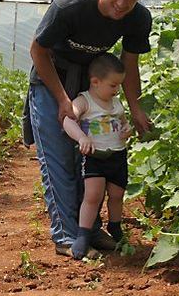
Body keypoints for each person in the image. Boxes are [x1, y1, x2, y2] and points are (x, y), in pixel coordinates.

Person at [24, 0, 153, 257]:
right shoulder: (70, 6)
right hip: (51, 77)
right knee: (58, 160)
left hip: (88, 82)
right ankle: (66, 236)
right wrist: (62, 99)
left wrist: (135, 108)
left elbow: (129, 63)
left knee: (88, 159)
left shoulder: (138, 19)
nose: (123, 2)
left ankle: (89, 230)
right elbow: (37, 50)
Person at [61, 53, 133, 259]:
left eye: (119, 85)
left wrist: (126, 130)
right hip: (95, 157)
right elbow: (67, 120)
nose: (117, 90)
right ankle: (83, 235)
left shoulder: (116, 103)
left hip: (117, 155)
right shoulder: (85, 101)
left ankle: (115, 226)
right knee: (92, 196)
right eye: (113, 85)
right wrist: (82, 137)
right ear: (95, 82)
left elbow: (123, 122)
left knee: (117, 194)